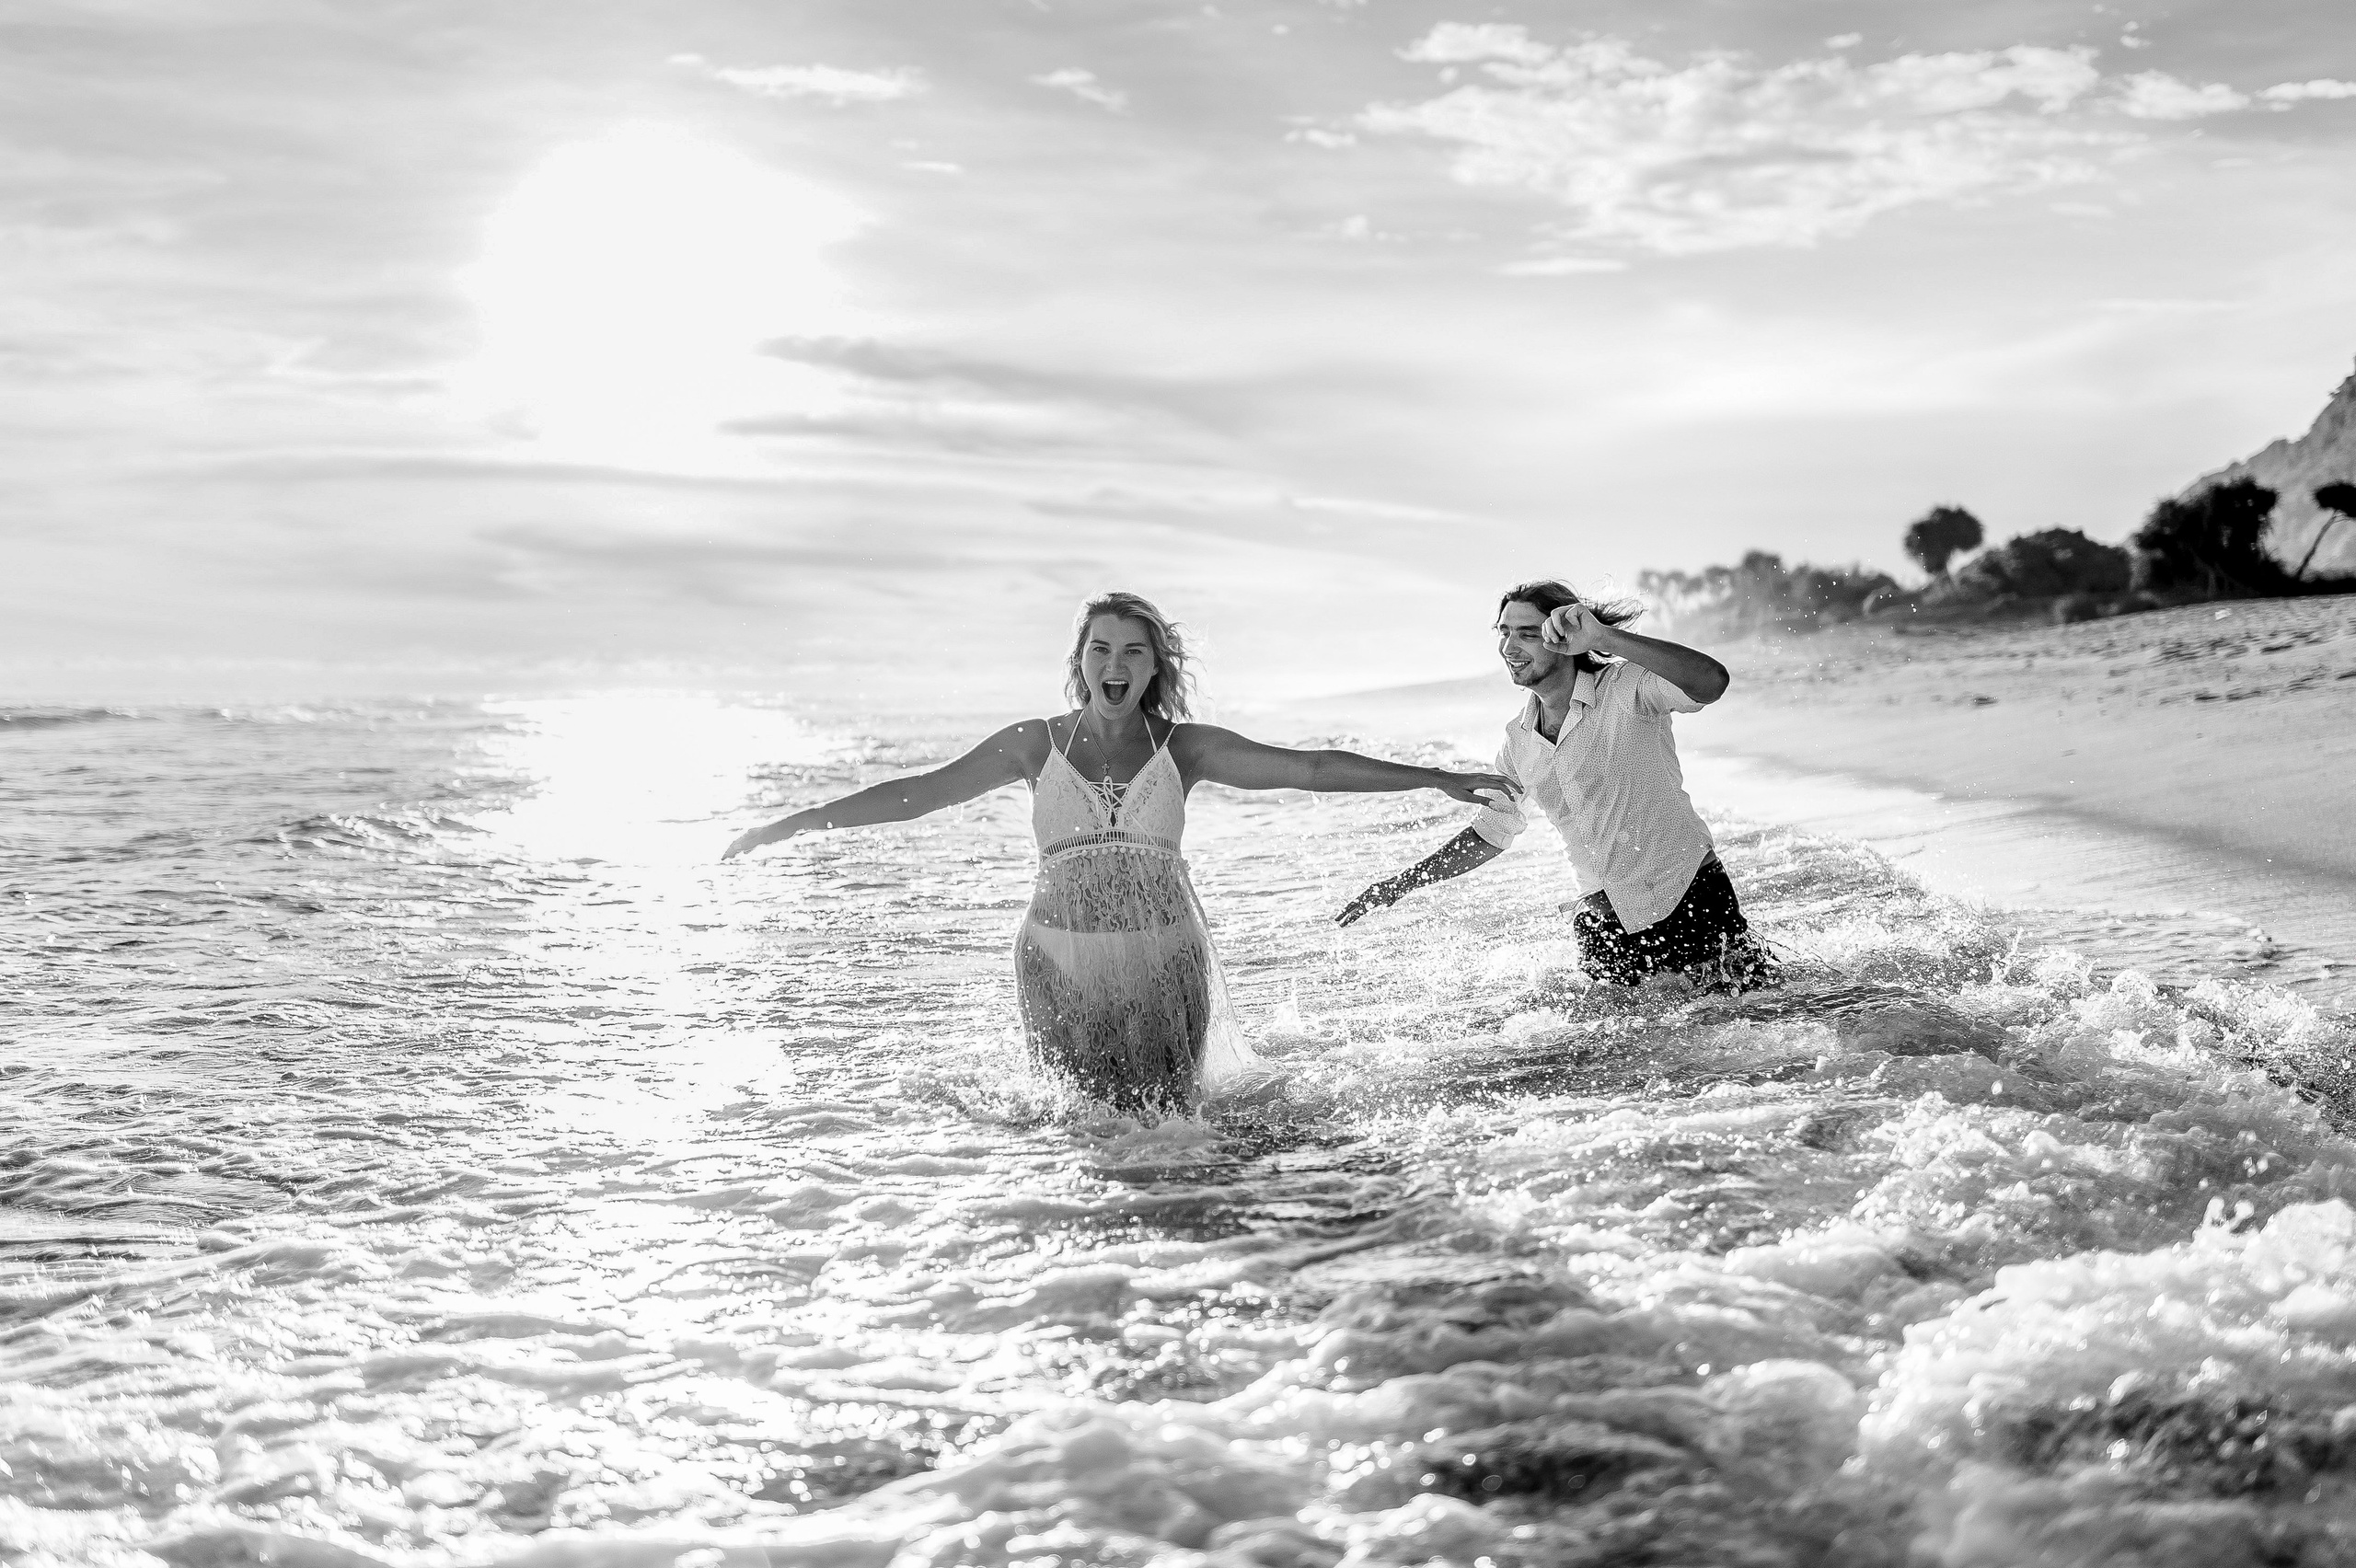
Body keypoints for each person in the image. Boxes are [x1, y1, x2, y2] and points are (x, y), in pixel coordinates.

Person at [723, 591, 1518, 1112]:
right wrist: (794, 823)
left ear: (1153, 667)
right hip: (1056, 961)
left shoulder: (1186, 748)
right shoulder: (1032, 746)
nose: (1116, 664)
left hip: (1166, 957)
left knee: (1174, 1136)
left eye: (1134, 651)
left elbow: (1308, 769)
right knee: (1087, 1137)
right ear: (1080, 664)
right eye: (1101, 649)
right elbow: (917, 794)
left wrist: (1436, 777)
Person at [1335, 580, 1774, 990]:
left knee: (1748, 1024)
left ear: (1564, 638)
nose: (1509, 647)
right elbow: (1490, 833)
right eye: (1503, 632)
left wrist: (1605, 638)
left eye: (1526, 633)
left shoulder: (1629, 687)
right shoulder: (1519, 739)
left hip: (1686, 894)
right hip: (1601, 921)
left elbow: (1711, 683)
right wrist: (1400, 885)